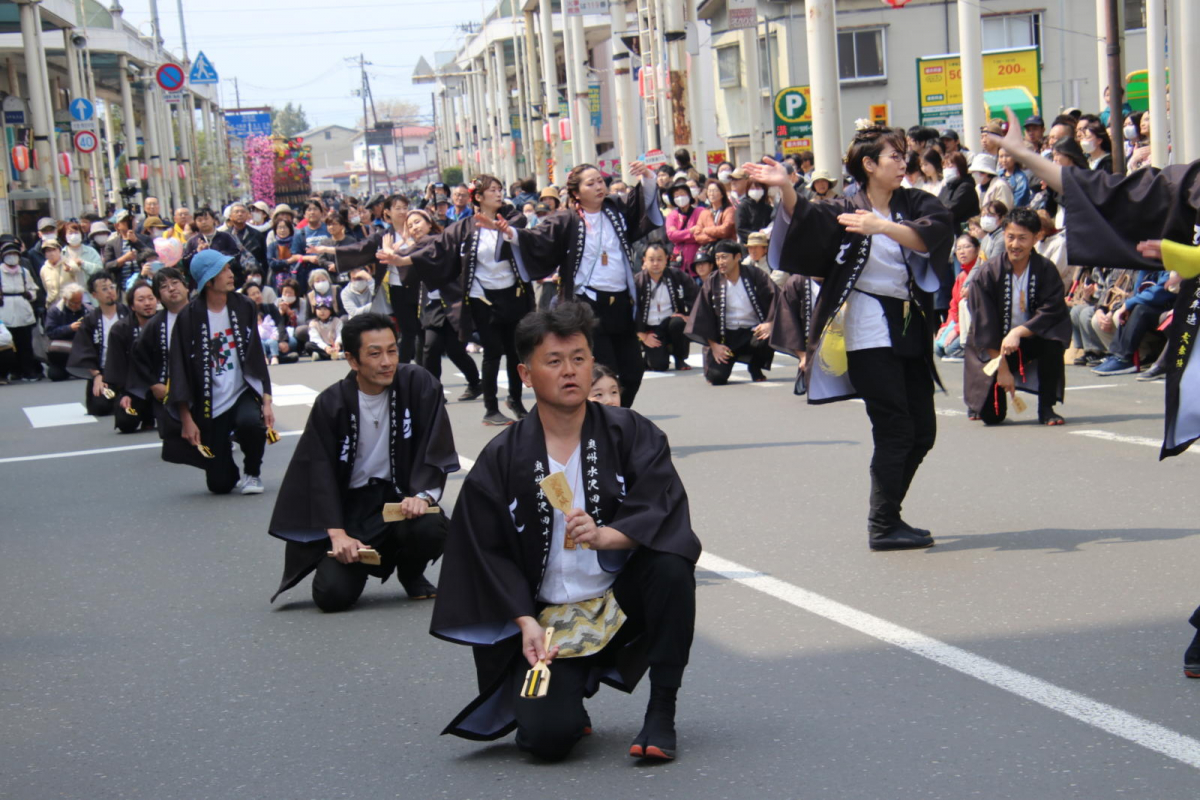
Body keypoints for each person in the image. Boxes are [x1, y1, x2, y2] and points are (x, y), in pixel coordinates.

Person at [430, 302, 701, 760]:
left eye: (579, 358)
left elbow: (663, 507)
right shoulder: (503, 457)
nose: (570, 371)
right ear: (526, 374)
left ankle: (661, 710)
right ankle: (571, 694)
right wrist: (523, 621)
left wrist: (608, 536)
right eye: (553, 361)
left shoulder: (631, 432)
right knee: (545, 739)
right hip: (547, 622)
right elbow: (482, 551)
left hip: (619, 602)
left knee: (672, 565)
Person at [747, 125, 954, 551]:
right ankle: (882, 524)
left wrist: (882, 226)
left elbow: (933, 234)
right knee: (895, 427)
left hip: (909, 324)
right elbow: (806, 222)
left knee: (923, 432)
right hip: (867, 328)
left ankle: (889, 514)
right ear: (869, 164)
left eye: (903, 155)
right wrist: (786, 189)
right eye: (894, 156)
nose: (902, 163)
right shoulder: (844, 209)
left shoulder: (914, 202)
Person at [268, 312, 456, 610]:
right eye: (375, 354)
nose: (387, 362)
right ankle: (360, 561)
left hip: (397, 502)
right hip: (351, 512)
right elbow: (317, 472)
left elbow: (436, 445)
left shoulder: (418, 383)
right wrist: (337, 533)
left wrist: (422, 496)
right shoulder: (332, 403)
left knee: (430, 526)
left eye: (392, 350)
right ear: (352, 360)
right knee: (332, 596)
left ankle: (411, 571)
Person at [390, 175, 530, 424]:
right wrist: (403, 260)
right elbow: (437, 248)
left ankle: (516, 401)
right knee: (492, 352)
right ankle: (491, 409)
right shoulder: (464, 227)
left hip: (513, 293)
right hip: (482, 297)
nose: (498, 193)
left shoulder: (511, 217)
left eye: (500, 189)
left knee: (514, 352)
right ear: (479, 197)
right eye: (492, 190)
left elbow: (521, 227)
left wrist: (499, 227)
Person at [167, 249, 274, 496]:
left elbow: (256, 356)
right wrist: (186, 418)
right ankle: (227, 460)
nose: (230, 274)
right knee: (220, 484)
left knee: (251, 423)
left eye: (228, 268)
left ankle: (252, 472)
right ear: (208, 280)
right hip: (208, 401)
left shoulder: (244, 305)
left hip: (241, 390)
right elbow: (179, 369)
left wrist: (266, 400)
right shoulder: (188, 317)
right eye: (223, 270)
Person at [964, 208, 1070, 425]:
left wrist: (1018, 332)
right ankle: (978, 402)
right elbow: (984, 326)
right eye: (1010, 237)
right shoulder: (988, 272)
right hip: (993, 347)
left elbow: (1052, 310)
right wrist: (1002, 369)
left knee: (1053, 340)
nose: (1015, 244)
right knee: (992, 417)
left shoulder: (1045, 269)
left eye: (1022, 238)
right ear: (1004, 235)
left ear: (1036, 237)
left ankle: (1047, 408)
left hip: (1029, 339)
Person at [686, 239, 777, 385]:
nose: (720, 262)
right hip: (725, 337)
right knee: (716, 378)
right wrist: (714, 345)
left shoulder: (755, 274)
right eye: (717, 258)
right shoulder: (713, 281)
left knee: (767, 336)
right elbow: (703, 315)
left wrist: (770, 323)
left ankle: (755, 366)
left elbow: (777, 297)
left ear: (737, 257)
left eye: (724, 257)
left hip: (752, 331)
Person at [131, 267, 190, 440]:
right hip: (170, 387)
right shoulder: (155, 324)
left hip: (207, 386)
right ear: (158, 297)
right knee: (173, 438)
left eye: (175, 283)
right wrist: (153, 384)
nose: (171, 289)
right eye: (164, 287)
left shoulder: (205, 313)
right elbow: (138, 356)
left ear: (186, 287)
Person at [66, 272, 130, 417]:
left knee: (128, 411)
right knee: (100, 406)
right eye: (104, 289)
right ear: (94, 295)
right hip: (104, 372)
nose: (110, 292)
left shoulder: (128, 313)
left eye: (111, 287)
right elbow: (84, 349)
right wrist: (97, 375)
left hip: (128, 372)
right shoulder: (90, 320)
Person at [104, 280, 159, 433]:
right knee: (126, 420)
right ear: (132, 306)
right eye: (141, 300)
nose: (147, 303)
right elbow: (117, 365)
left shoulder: (165, 324)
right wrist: (123, 393)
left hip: (162, 384)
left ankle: (155, 412)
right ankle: (145, 412)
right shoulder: (120, 329)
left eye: (151, 298)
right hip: (134, 387)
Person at [634, 242, 696, 372]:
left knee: (679, 323)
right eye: (651, 259)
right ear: (644, 260)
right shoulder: (637, 281)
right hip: (650, 329)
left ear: (666, 259)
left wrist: (688, 316)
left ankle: (680, 357)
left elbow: (695, 296)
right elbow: (630, 311)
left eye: (659, 259)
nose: (655, 263)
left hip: (671, 322)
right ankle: (651, 357)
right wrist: (642, 335)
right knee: (659, 366)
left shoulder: (677, 276)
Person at [768, 274, 821, 394]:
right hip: (812, 344)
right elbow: (788, 322)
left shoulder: (842, 275)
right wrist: (803, 357)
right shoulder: (796, 282)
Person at [0, 240, 41, 382]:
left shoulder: (24, 272)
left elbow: (33, 288)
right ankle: (12, 371)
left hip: (22, 307)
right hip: (4, 308)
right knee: (8, 344)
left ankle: (28, 371)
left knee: (25, 343)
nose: (12, 257)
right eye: (9, 254)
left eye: (14, 254)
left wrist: (30, 295)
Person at [934, 234, 980, 362]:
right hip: (959, 323)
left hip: (972, 326)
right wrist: (946, 326)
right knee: (938, 348)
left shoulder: (980, 274)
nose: (962, 252)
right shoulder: (961, 276)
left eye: (966, 247)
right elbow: (953, 305)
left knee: (950, 349)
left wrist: (956, 330)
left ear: (977, 249)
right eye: (958, 248)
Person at [44, 283, 87, 381]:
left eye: (79, 302)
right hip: (61, 351)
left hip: (81, 348)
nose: (77, 306)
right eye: (74, 303)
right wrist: (69, 328)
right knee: (55, 375)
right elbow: (50, 332)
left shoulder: (87, 309)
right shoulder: (55, 311)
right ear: (65, 299)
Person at [103, 214, 154, 288]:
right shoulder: (112, 244)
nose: (129, 223)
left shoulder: (145, 239)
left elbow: (152, 255)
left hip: (145, 284)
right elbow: (107, 266)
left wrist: (136, 241)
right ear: (117, 225)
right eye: (125, 221)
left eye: (131, 220)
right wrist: (124, 259)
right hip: (123, 286)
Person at [665, 180, 703, 277]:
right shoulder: (672, 215)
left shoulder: (700, 211)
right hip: (677, 258)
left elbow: (700, 233)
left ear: (689, 195)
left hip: (696, 258)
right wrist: (690, 232)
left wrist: (680, 236)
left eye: (682, 194)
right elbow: (671, 235)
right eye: (676, 196)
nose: (680, 198)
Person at [939, 151, 980, 231]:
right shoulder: (946, 187)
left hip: (965, 230)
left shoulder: (966, 187)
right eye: (944, 167)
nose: (946, 169)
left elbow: (952, 209)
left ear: (960, 167)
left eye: (950, 166)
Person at [693, 179, 736, 246]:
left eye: (715, 191)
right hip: (709, 247)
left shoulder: (729, 210)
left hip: (726, 246)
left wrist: (705, 230)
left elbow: (724, 230)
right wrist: (715, 238)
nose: (712, 194)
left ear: (722, 194)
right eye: (709, 191)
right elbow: (697, 235)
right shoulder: (704, 213)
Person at [736, 179, 773, 244]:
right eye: (752, 188)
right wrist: (757, 235)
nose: (755, 190)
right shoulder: (743, 206)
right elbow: (740, 229)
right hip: (747, 243)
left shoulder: (768, 208)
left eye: (758, 188)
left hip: (764, 244)